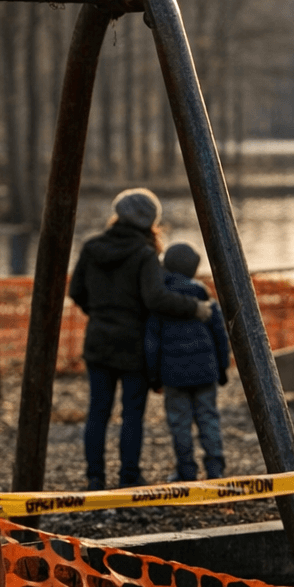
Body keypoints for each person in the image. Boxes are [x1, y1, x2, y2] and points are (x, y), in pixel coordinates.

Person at [69, 189, 215, 491]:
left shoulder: (92, 247)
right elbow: (156, 298)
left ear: (118, 214)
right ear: (150, 221)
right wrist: (195, 308)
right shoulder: (145, 254)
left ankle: (95, 477)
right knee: (132, 414)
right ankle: (129, 477)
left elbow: (76, 292)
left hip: (97, 340)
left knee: (98, 411)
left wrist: (98, 313)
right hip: (133, 345)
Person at [145, 243, 231, 481]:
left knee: (179, 423)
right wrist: (222, 368)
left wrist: (153, 377)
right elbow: (220, 336)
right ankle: (215, 469)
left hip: (173, 375)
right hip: (205, 372)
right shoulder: (204, 296)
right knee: (209, 418)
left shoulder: (161, 300)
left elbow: (152, 342)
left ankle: (187, 470)